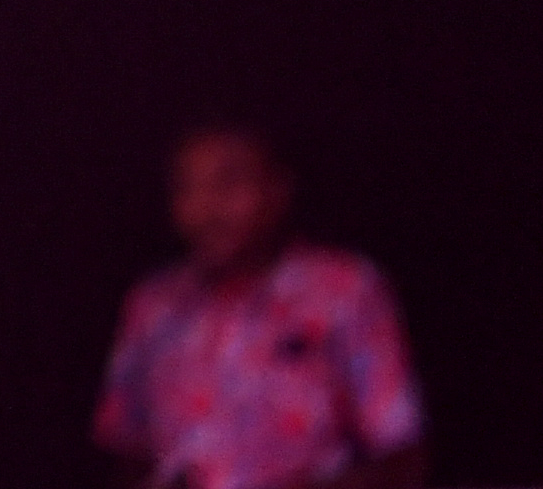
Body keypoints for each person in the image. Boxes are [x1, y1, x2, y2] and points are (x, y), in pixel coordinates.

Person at [93, 120, 424, 489]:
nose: (207, 208)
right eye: (187, 188)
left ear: (277, 191)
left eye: (228, 183)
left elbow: (401, 457)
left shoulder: (343, 290)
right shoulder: (154, 304)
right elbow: (127, 449)